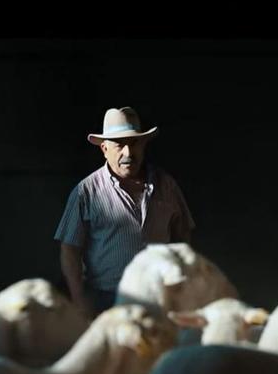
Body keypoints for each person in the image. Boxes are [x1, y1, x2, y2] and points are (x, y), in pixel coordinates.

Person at [54, 107, 195, 320]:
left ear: (144, 144)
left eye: (135, 143)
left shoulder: (166, 185)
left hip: (160, 298)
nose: (128, 153)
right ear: (104, 149)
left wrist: (181, 287)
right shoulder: (86, 192)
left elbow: (182, 236)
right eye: (120, 144)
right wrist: (78, 298)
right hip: (106, 300)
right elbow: (69, 250)